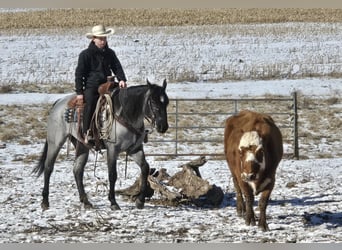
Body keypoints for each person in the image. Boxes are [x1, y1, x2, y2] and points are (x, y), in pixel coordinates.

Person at [75, 24, 127, 143]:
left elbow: (116, 67)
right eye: (100, 38)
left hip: (108, 84)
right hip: (92, 86)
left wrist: (122, 79)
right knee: (90, 103)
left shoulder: (110, 53)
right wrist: (79, 92)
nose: (103, 41)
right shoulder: (85, 55)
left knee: (122, 99)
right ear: (94, 39)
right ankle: (87, 132)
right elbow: (79, 74)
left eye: (104, 38)